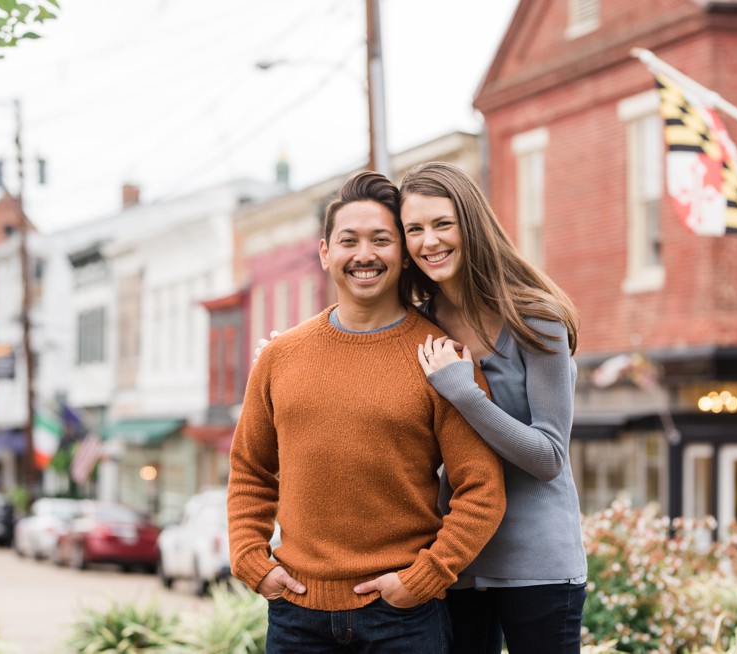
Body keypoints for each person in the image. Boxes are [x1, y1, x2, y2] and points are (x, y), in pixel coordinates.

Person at [227, 170, 507, 654]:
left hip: (404, 620)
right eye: (348, 240)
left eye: (381, 239)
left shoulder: (440, 359)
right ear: (324, 253)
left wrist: (424, 578)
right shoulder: (280, 357)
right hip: (296, 616)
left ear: (401, 255)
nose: (364, 255)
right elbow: (250, 470)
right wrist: (252, 560)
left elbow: (482, 489)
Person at [399, 161, 587, 654]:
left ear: (471, 224)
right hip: (454, 561)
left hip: (538, 565)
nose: (428, 241)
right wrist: (282, 353)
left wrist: (464, 391)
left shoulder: (534, 319)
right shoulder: (417, 327)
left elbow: (548, 458)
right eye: (414, 229)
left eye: (442, 224)